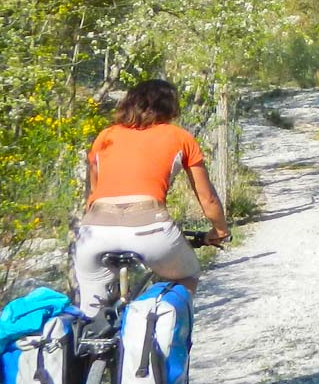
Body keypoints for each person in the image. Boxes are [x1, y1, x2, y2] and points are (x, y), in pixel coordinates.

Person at [71, 79, 231, 316]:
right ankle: (163, 336)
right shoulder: (179, 137)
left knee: (90, 313)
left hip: (93, 232)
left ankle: (92, 343)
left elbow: (93, 197)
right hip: (150, 230)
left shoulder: (105, 136)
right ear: (170, 107)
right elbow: (208, 199)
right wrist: (219, 231)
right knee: (188, 274)